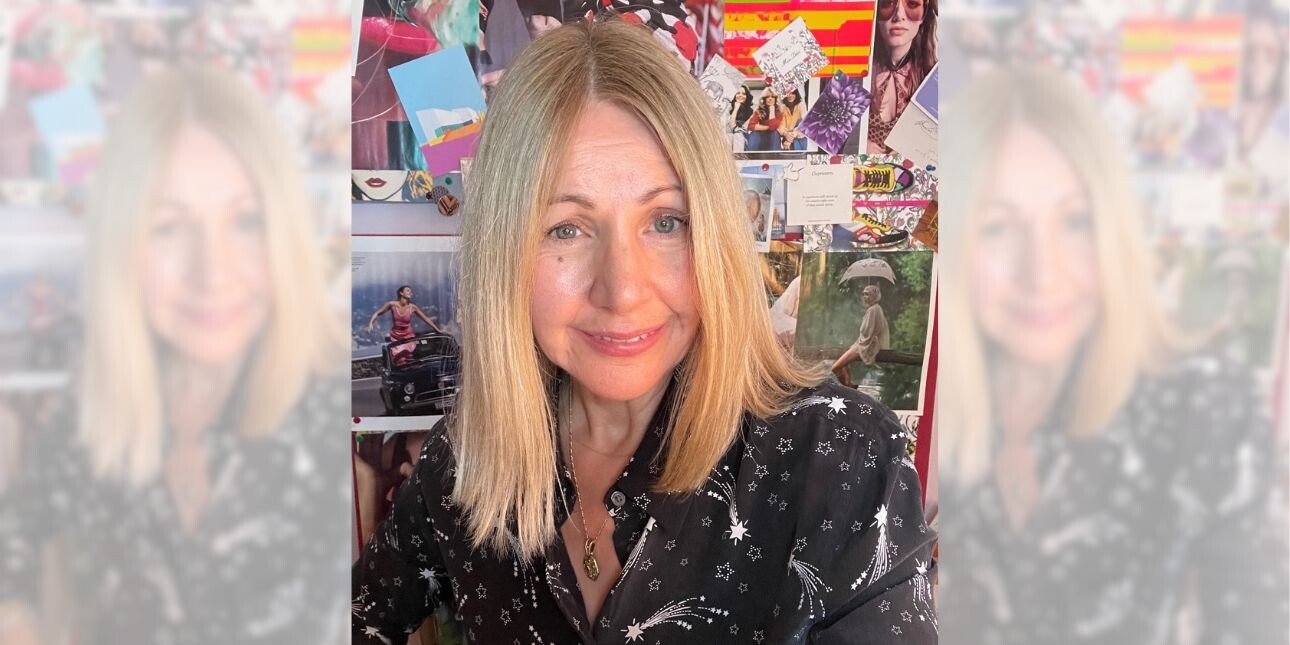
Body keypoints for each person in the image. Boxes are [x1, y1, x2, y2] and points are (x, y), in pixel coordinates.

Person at [352, 16, 936, 644]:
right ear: (504, 256)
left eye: (666, 222)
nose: (623, 290)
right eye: (565, 229)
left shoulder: (843, 461)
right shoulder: (464, 458)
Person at [937, 67, 1287, 643]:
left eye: (1075, 221)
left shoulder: (1208, 409)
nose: (1042, 273)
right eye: (998, 228)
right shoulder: (926, 429)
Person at [0, 67, 350, 643]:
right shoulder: (92, 409)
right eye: (168, 227)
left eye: (244, 221)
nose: (211, 273)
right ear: (123, 246)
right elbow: (15, 529)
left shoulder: (328, 415)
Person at [867, 0, 937, 154]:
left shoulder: (933, 77)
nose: (899, 16)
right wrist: (859, 144)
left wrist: (914, 150)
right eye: (887, 4)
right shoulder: (857, 69)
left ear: (924, 13)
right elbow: (823, 132)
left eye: (912, 4)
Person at [830, 284, 891, 388]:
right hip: (863, 342)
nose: (864, 297)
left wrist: (859, 345)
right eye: (863, 294)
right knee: (844, 360)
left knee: (835, 368)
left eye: (867, 294)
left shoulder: (873, 310)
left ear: (874, 296)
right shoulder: (875, 309)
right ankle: (849, 385)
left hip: (867, 344)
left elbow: (868, 333)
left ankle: (847, 388)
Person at [367, 285, 446, 341]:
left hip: (408, 336)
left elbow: (426, 320)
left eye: (411, 292)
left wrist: (437, 330)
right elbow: (377, 313)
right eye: (408, 290)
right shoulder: (391, 304)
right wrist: (371, 323)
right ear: (401, 293)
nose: (410, 293)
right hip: (395, 337)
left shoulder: (413, 307)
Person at [746, 86, 783, 151]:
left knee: (774, 133)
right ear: (764, 99)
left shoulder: (778, 111)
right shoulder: (759, 110)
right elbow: (750, 126)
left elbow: (773, 127)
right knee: (753, 134)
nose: (770, 99)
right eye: (767, 97)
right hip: (761, 139)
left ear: (775, 99)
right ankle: (751, 157)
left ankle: (775, 157)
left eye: (772, 97)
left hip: (773, 139)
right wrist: (767, 127)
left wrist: (772, 109)